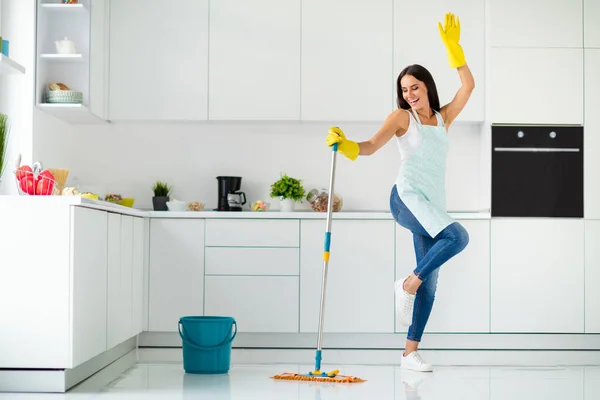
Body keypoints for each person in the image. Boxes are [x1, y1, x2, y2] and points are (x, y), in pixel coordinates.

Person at [325, 12, 474, 372]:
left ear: (427, 87)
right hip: (406, 197)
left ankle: (409, 353)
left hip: (432, 204)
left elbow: (468, 87)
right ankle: (407, 284)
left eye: (415, 88)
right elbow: (371, 146)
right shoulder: (400, 117)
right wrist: (345, 146)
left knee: (432, 282)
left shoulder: (442, 118)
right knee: (459, 237)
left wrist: (454, 50)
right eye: (405, 90)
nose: (409, 95)